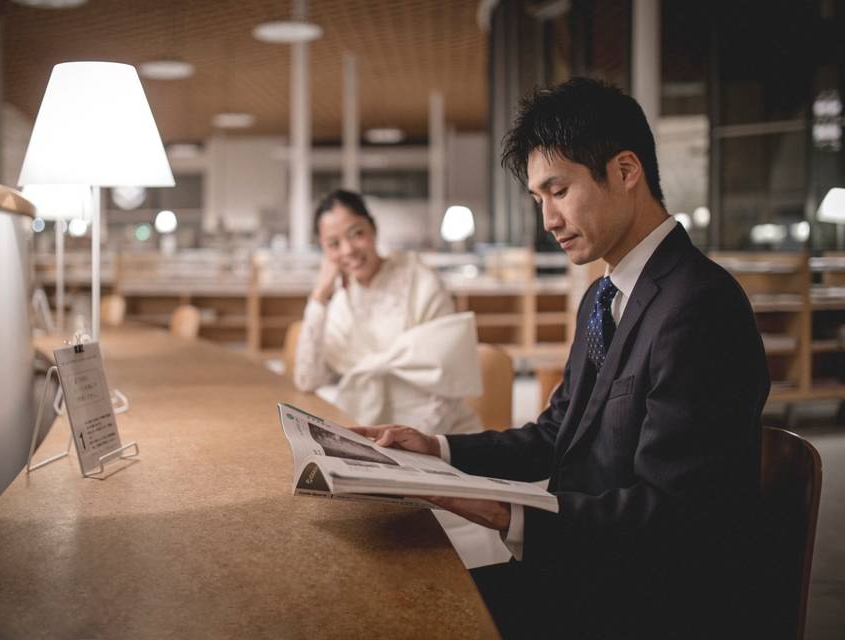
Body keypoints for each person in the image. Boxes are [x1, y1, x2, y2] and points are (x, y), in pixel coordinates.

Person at [354, 78, 770, 639]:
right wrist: (438, 449)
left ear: (626, 172)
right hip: (590, 566)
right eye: (538, 199)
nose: (547, 219)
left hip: (649, 601)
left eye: (558, 191)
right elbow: (557, 434)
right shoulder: (605, 296)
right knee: (396, 592)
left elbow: (672, 516)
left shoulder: (699, 305)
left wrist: (505, 512)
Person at [293, 189, 483, 437]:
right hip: (365, 438)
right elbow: (308, 379)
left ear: (373, 229)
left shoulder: (421, 281)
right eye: (334, 244)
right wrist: (319, 296)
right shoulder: (336, 302)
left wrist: (409, 446)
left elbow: (446, 388)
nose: (348, 249)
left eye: (357, 234)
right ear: (324, 251)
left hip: (437, 436)